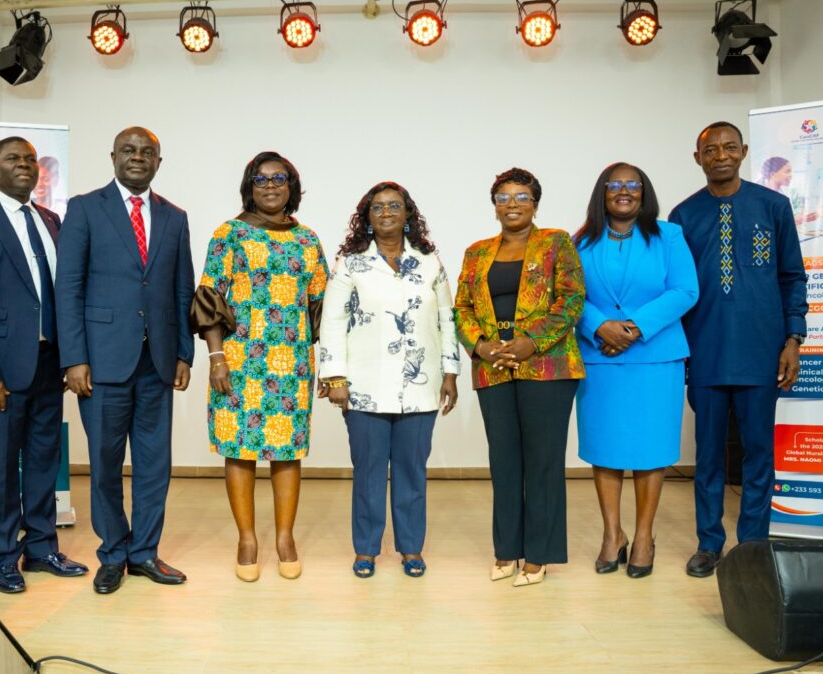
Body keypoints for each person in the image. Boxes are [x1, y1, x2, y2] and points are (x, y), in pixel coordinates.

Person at [56, 127, 195, 594]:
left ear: (160, 161)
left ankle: (145, 554)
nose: (138, 158)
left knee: (156, 465)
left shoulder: (175, 217)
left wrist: (183, 352)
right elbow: (68, 288)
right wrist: (73, 357)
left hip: (156, 362)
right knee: (105, 463)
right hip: (100, 362)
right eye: (129, 151)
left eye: (148, 152)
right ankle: (113, 553)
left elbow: (180, 291)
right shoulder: (84, 208)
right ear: (113, 156)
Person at [0, 137, 88, 593]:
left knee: (45, 460)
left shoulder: (51, 220)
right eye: (13, 159)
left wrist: (72, 358)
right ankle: (4, 556)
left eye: (30, 159)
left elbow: (64, 292)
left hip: (49, 365)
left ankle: (42, 547)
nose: (25, 165)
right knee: (2, 467)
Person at [669, 122, 808, 578]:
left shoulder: (773, 206)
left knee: (758, 453)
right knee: (707, 455)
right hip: (705, 352)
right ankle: (709, 543)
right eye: (711, 150)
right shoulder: (683, 216)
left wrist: (793, 339)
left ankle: (752, 544)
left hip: (761, 351)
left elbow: (791, 277)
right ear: (698, 157)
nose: (721, 155)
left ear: (744, 152)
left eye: (730, 147)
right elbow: (677, 289)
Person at [190, 151, 328, 582]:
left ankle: (285, 538)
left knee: (288, 451)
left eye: (279, 178)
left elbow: (320, 304)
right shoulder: (229, 234)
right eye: (261, 179)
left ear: (293, 187)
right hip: (239, 360)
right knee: (240, 449)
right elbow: (210, 298)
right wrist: (215, 358)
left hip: (290, 364)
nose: (270, 186)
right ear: (249, 186)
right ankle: (247, 538)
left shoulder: (306, 239)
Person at [320, 181, 459, 579]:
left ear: (407, 214)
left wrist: (450, 371)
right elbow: (332, 322)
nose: (385, 213)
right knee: (368, 471)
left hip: (420, 386)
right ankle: (366, 549)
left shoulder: (430, 263)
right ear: (366, 217)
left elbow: (446, 320)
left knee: (412, 470)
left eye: (394, 206)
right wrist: (334, 377)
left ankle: (411, 548)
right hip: (364, 387)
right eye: (377, 207)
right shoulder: (350, 264)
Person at [453, 167, 585, 587]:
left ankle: (539, 555)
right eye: (504, 197)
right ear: (494, 207)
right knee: (504, 461)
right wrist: (481, 346)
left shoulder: (556, 243)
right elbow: (462, 309)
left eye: (521, 197)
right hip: (493, 366)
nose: (512, 204)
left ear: (535, 204)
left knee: (542, 463)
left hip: (547, 366)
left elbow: (572, 298)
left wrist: (532, 341)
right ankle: (507, 550)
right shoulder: (477, 253)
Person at [573, 163, 699, 578]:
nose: (624, 191)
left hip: (654, 358)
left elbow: (685, 290)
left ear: (643, 194)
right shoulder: (579, 242)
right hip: (599, 358)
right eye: (615, 185)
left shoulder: (669, 236)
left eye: (633, 185)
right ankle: (613, 535)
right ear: (602, 193)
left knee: (650, 450)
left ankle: (644, 536)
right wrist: (598, 326)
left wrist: (633, 327)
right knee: (605, 449)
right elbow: (568, 295)